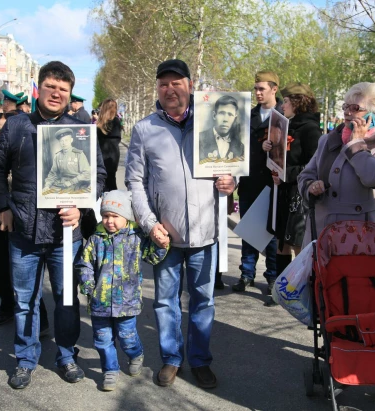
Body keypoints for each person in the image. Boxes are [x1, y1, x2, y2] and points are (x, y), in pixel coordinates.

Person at [0, 60, 107, 390]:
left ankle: (67, 355)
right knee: (24, 301)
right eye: (51, 87)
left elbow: (97, 177)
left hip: (64, 235)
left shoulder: (82, 129)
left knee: (66, 299)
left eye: (63, 90)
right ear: (38, 88)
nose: (57, 94)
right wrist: (3, 207)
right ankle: (26, 359)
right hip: (24, 231)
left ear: (70, 95)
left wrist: (81, 208)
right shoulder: (16, 126)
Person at [125, 59, 236, 389]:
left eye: (176, 82)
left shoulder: (212, 123)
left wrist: (232, 183)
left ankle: (200, 360)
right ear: (157, 89)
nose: (169, 89)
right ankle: (172, 359)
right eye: (163, 84)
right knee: (165, 302)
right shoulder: (144, 129)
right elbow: (135, 182)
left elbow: (232, 167)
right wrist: (148, 223)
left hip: (206, 234)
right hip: (166, 236)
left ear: (190, 85)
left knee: (203, 302)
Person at [76, 190, 168, 391]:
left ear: (126, 217)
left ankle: (135, 354)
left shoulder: (136, 238)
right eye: (106, 216)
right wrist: (88, 286)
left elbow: (151, 257)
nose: (109, 221)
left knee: (127, 337)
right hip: (99, 302)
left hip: (127, 302)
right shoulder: (95, 239)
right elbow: (85, 264)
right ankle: (110, 370)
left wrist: (161, 246)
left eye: (115, 216)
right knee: (102, 340)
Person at [298, 82, 375, 246]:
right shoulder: (328, 140)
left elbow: (373, 177)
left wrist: (356, 144)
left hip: (359, 236)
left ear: (374, 115)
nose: (347, 111)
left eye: (355, 108)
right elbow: (306, 174)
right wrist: (310, 186)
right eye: (346, 106)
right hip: (321, 231)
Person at [261, 82, 321, 306]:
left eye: (286, 101)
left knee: (298, 243)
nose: (282, 104)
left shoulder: (310, 129)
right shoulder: (285, 124)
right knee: (281, 241)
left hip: (298, 192)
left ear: (298, 102)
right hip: (282, 190)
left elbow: (312, 164)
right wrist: (269, 148)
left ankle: (305, 295)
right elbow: (281, 156)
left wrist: (286, 174)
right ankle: (282, 290)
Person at [232, 71, 280, 293]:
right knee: (248, 230)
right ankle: (246, 274)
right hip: (250, 180)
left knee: (270, 232)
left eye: (262, 89)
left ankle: (272, 277)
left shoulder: (282, 117)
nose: (258, 93)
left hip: (272, 183)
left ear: (274, 89)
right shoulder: (247, 115)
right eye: (256, 89)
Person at [42, 128, 91, 193]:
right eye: (61, 141)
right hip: (62, 184)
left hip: (78, 184)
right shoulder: (57, 156)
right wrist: (47, 185)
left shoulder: (79, 154)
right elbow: (53, 173)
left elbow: (87, 173)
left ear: (71, 140)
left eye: (66, 140)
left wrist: (71, 182)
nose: (64, 143)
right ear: (59, 142)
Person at [199, 95, 244, 162]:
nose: (225, 119)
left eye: (230, 114)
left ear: (235, 118)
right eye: (222, 113)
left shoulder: (240, 147)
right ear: (214, 115)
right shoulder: (199, 139)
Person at [96, 99, 123, 191]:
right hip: (113, 154)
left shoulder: (101, 124)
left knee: (104, 179)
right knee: (111, 178)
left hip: (103, 153)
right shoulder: (116, 121)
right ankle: (112, 199)